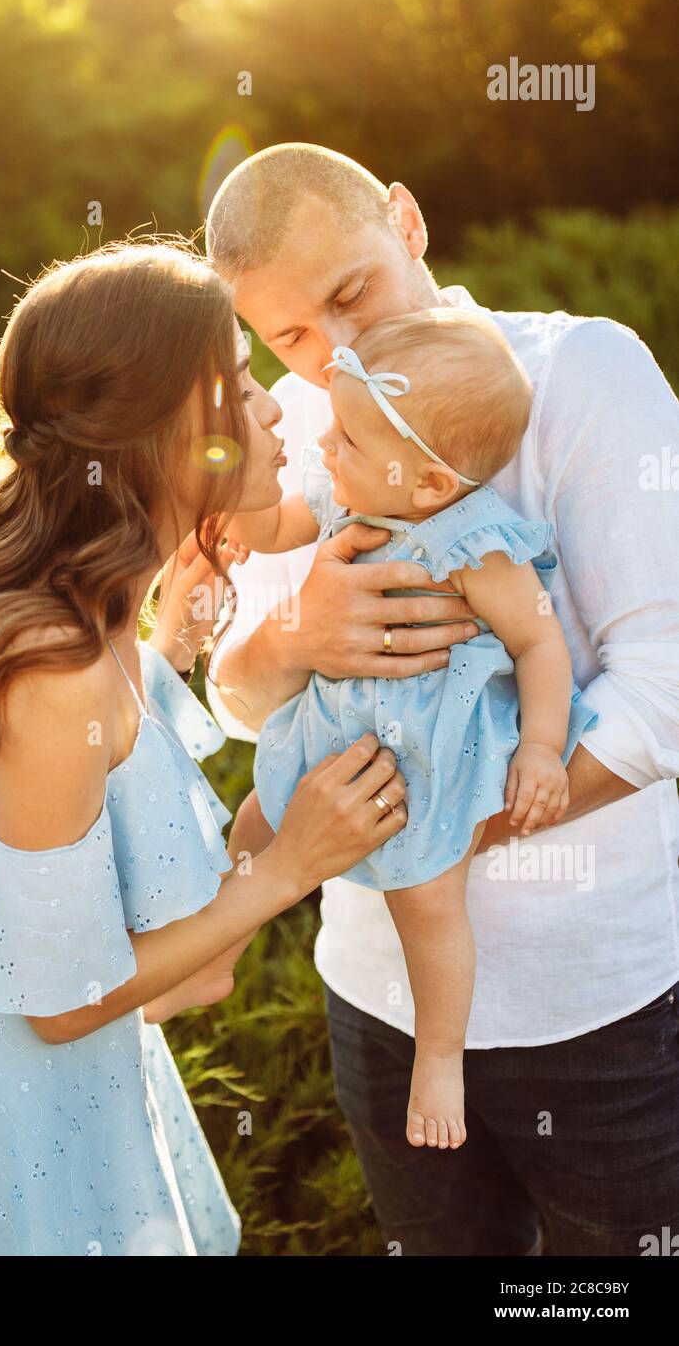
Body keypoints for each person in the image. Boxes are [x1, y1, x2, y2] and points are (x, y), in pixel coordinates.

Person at [0, 238, 406, 1256]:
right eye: (237, 384)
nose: (272, 406)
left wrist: (166, 646)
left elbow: (83, 783)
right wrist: (284, 868)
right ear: (160, 430)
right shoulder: (52, 665)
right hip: (18, 1130)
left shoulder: (73, 620)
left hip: (47, 1093)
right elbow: (60, 1003)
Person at [204, 143, 679, 1256]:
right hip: (375, 995)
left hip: (595, 1004)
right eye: (290, 337)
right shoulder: (303, 426)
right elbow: (234, 697)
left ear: (406, 222)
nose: (336, 354)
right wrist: (292, 633)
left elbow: (665, 686)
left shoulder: (580, 376)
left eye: (349, 292)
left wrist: (424, 837)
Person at [225, 307, 598, 1151]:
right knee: (254, 821)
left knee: (426, 906)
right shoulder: (344, 497)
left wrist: (541, 746)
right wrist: (230, 493)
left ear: (429, 483)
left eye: (349, 440)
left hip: (430, 761)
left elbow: (540, 643)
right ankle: (214, 951)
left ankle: (439, 1059)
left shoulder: (476, 546)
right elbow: (270, 524)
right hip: (335, 736)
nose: (328, 450)